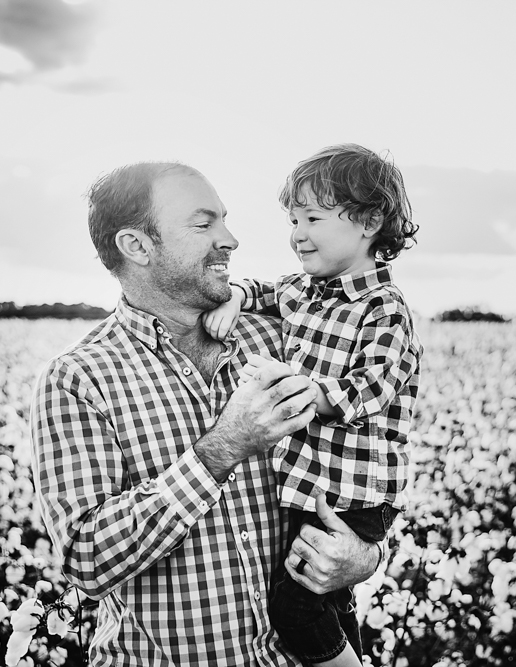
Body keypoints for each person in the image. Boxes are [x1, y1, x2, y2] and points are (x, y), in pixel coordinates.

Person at [30, 161, 385, 667]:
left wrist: (364, 557)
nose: (231, 239)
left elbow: (361, 463)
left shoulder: (284, 338)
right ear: (136, 246)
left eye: (224, 219)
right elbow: (86, 559)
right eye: (204, 224)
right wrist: (225, 446)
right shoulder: (79, 379)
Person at [202, 144, 422, 667]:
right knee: (327, 599)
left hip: (358, 489)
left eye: (313, 218)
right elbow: (262, 290)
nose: (297, 233)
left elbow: (375, 385)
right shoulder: (302, 290)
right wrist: (234, 296)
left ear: (369, 221)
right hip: (314, 482)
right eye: (293, 219)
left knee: (295, 604)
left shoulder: (384, 308)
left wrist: (313, 393)